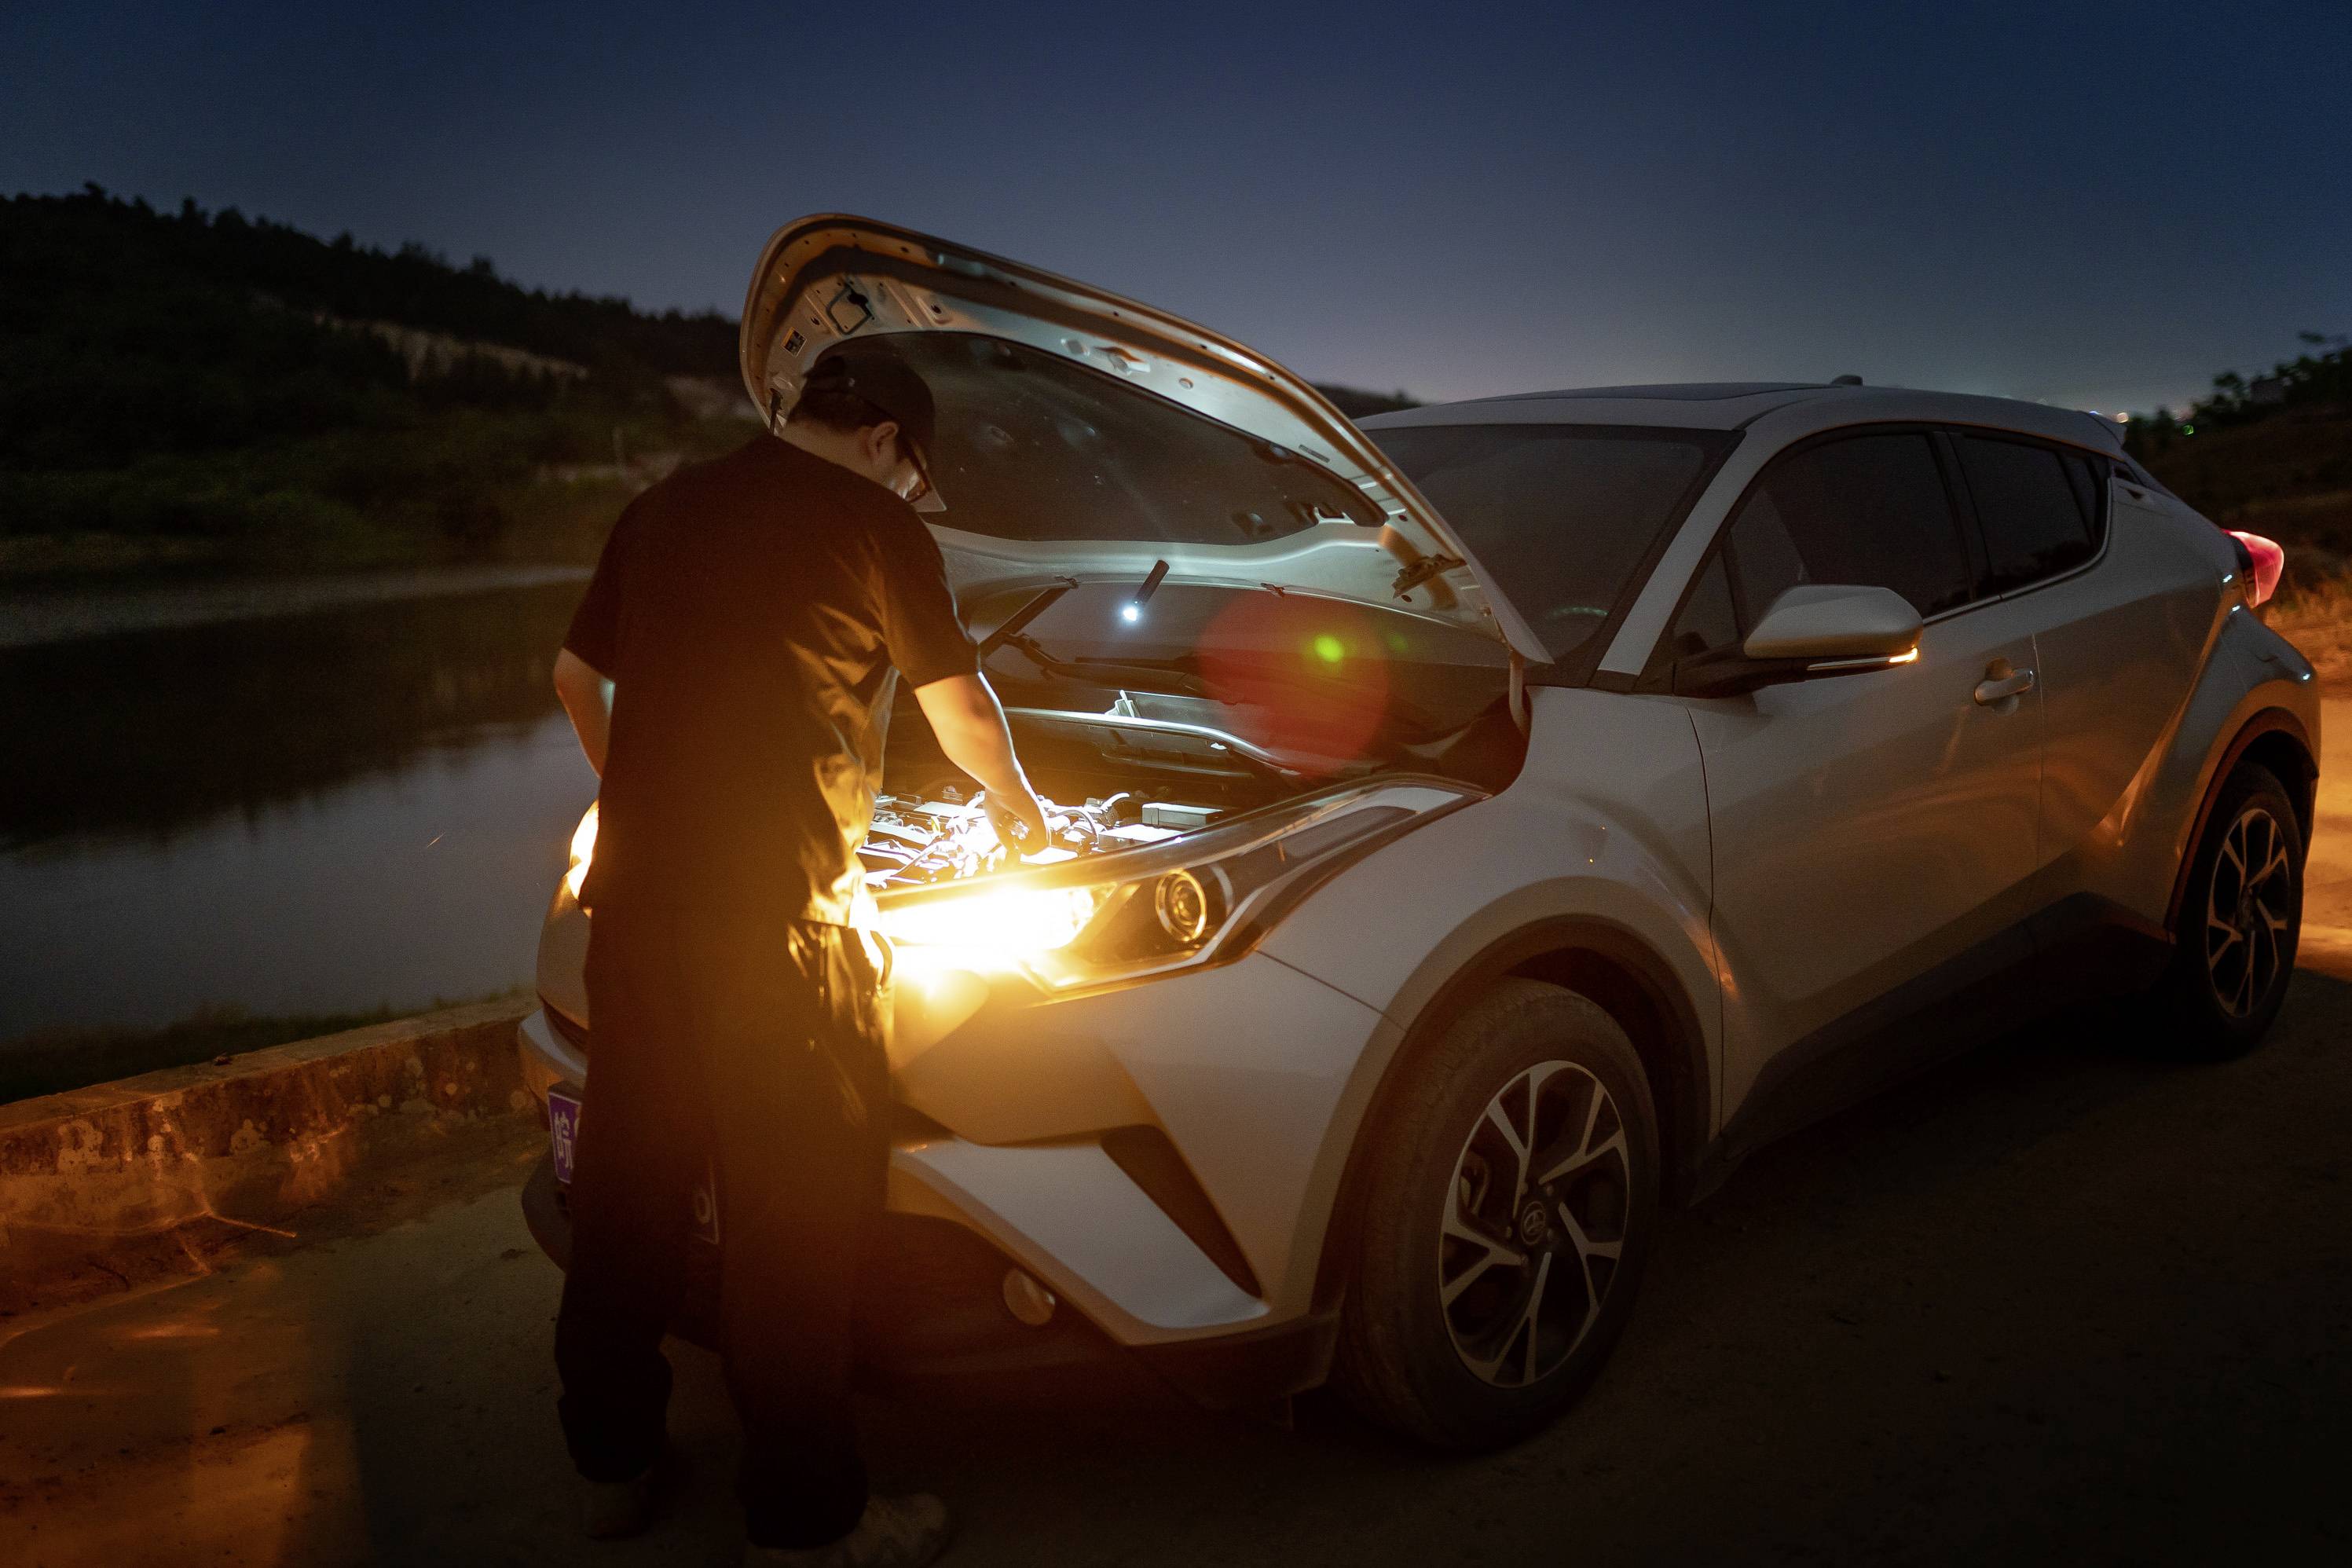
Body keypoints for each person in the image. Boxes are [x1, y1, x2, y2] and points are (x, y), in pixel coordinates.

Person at [547, 343, 1048, 1566]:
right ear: (886, 442)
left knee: (626, 1197)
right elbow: (961, 710)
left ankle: (609, 1465)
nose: (915, 500)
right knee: (793, 1227)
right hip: (785, 930)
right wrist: (1023, 812)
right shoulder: (874, 525)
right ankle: (810, 1518)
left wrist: (645, 797)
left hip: (638, 915)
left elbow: (572, 677)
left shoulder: (663, 504)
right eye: (918, 479)